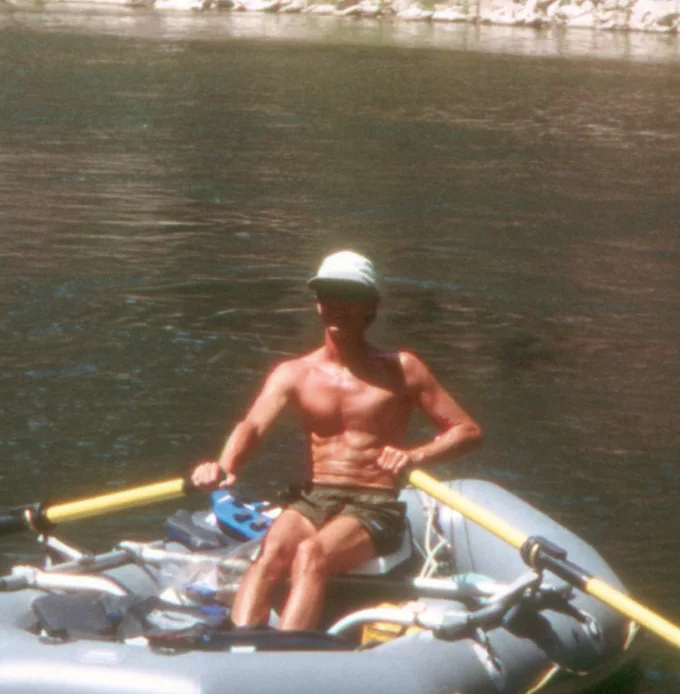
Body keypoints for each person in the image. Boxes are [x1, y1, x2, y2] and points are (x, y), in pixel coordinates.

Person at [188, 251, 484, 633]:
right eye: (329, 294)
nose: (338, 306)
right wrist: (225, 467)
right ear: (318, 304)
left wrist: (413, 456)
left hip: (374, 502)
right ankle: (240, 645)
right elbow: (253, 426)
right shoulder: (294, 373)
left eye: (350, 296)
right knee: (271, 554)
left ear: (370, 306)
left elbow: (468, 431)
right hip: (315, 496)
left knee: (311, 554)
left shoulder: (402, 369)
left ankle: (288, 655)